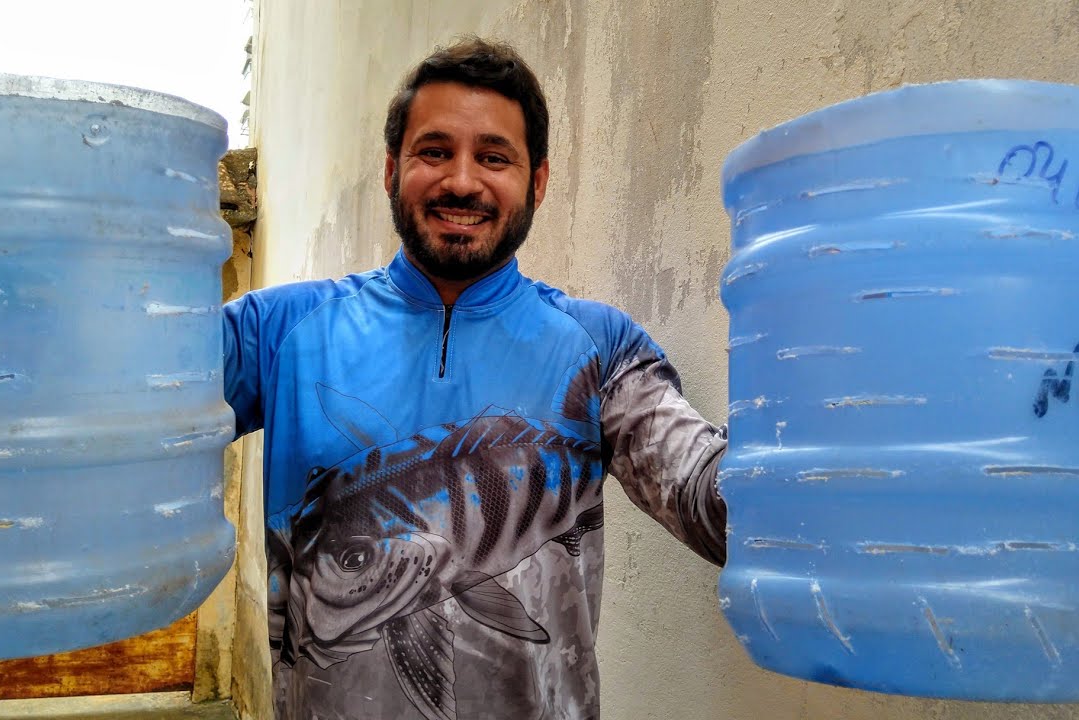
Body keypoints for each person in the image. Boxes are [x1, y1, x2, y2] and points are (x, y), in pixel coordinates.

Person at [222, 35, 727, 720]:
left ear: (537, 182)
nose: (462, 181)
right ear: (391, 169)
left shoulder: (601, 349)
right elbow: (125, 398)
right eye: (434, 151)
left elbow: (707, 497)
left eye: (494, 157)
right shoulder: (277, 333)